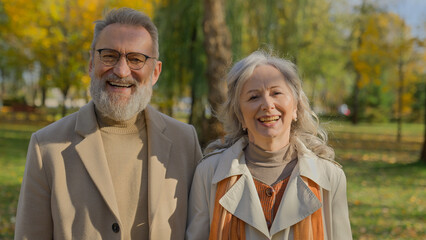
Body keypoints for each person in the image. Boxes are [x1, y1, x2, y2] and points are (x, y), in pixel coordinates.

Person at [15, 7, 202, 240]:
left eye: (136, 59)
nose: (121, 71)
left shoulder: (185, 142)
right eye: (109, 56)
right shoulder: (46, 147)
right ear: (92, 63)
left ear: (155, 72)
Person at [186, 50, 352, 239]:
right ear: (240, 115)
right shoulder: (209, 174)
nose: (267, 104)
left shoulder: (330, 177)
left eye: (276, 93)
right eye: (254, 97)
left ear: (296, 107)